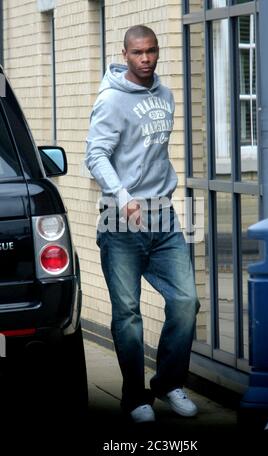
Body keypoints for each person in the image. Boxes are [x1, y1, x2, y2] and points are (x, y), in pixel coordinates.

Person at [86, 25, 200, 423]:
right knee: (129, 314)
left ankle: (168, 383)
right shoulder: (111, 101)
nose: (146, 59)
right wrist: (123, 196)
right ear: (125, 54)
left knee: (186, 301)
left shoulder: (165, 95)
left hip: (162, 215)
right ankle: (135, 398)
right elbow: (95, 155)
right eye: (138, 53)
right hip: (120, 220)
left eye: (152, 51)